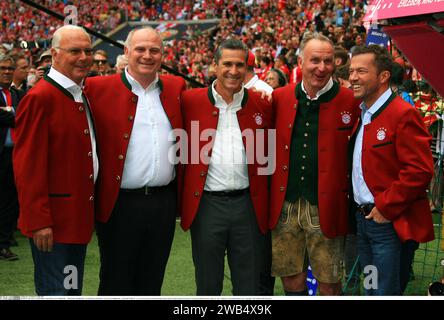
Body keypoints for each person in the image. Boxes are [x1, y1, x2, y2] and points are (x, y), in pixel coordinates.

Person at [84, 27, 186, 295]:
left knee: (152, 280)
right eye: (140, 49)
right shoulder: (96, 87)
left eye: (154, 50)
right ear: (126, 52)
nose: (147, 55)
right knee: (115, 280)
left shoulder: (176, 86)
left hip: (163, 203)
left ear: (162, 55)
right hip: (119, 203)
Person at [180, 39, 273, 295]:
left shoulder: (263, 104)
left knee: (249, 284)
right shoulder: (189, 101)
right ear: (214, 66)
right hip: (208, 205)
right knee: (208, 283)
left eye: (239, 65)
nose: (233, 71)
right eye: (227, 64)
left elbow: (271, 156)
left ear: (247, 68)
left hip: (248, 206)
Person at [269, 33, 360, 296]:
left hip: (327, 206)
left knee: (329, 281)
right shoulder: (280, 97)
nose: (322, 68)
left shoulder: (350, 100)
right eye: (315, 60)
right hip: (285, 205)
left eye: (328, 61)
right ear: (300, 62)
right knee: (291, 280)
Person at [12, 25, 97, 295]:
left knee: (70, 290)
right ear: (55, 54)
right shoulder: (39, 98)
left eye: (88, 50)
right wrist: (38, 221)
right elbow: (27, 166)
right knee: (57, 291)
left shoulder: (79, 93)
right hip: (54, 224)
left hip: (75, 220)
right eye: (75, 51)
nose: (83, 57)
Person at [349, 44, 435, 295]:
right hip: (364, 221)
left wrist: (385, 207)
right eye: (352, 71)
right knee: (371, 288)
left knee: (385, 292)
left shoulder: (403, 113)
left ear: (384, 76)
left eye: (361, 71)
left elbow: (419, 170)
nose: (352, 77)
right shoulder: (363, 112)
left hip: (389, 223)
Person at [0, 54, 24, 261]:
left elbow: (26, 117)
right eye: (3, 68)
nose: (7, 71)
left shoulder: (17, 94)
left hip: (14, 155)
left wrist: (9, 113)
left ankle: (4, 245)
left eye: (10, 68)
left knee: (10, 202)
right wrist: (13, 114)